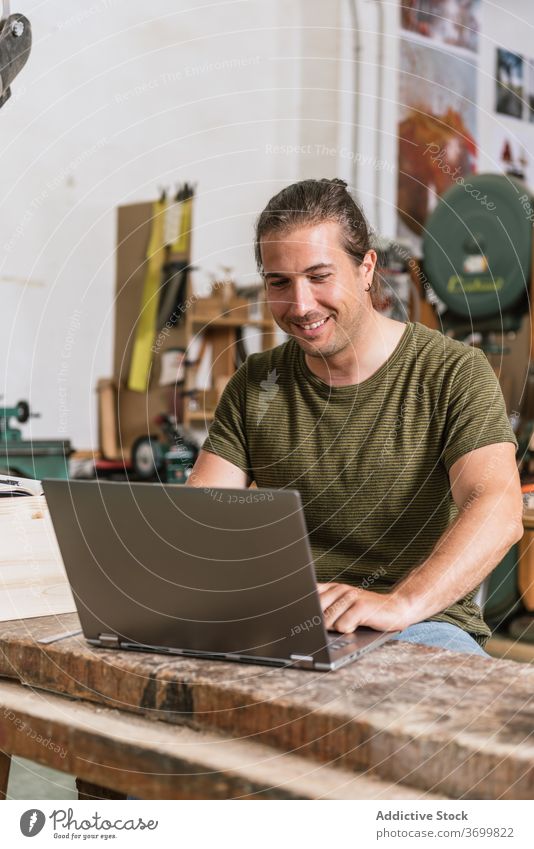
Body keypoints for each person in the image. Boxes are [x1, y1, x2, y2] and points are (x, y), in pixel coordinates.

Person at [187, 178, 523, 657]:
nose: (300, 306)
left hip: (420, 624)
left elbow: (498, 507)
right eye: (279, 282)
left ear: (366, 269)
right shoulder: (256, 382)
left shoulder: (453, 372)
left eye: (319, 276)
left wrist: (400, 603)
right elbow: (202, 515)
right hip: (285, 621)